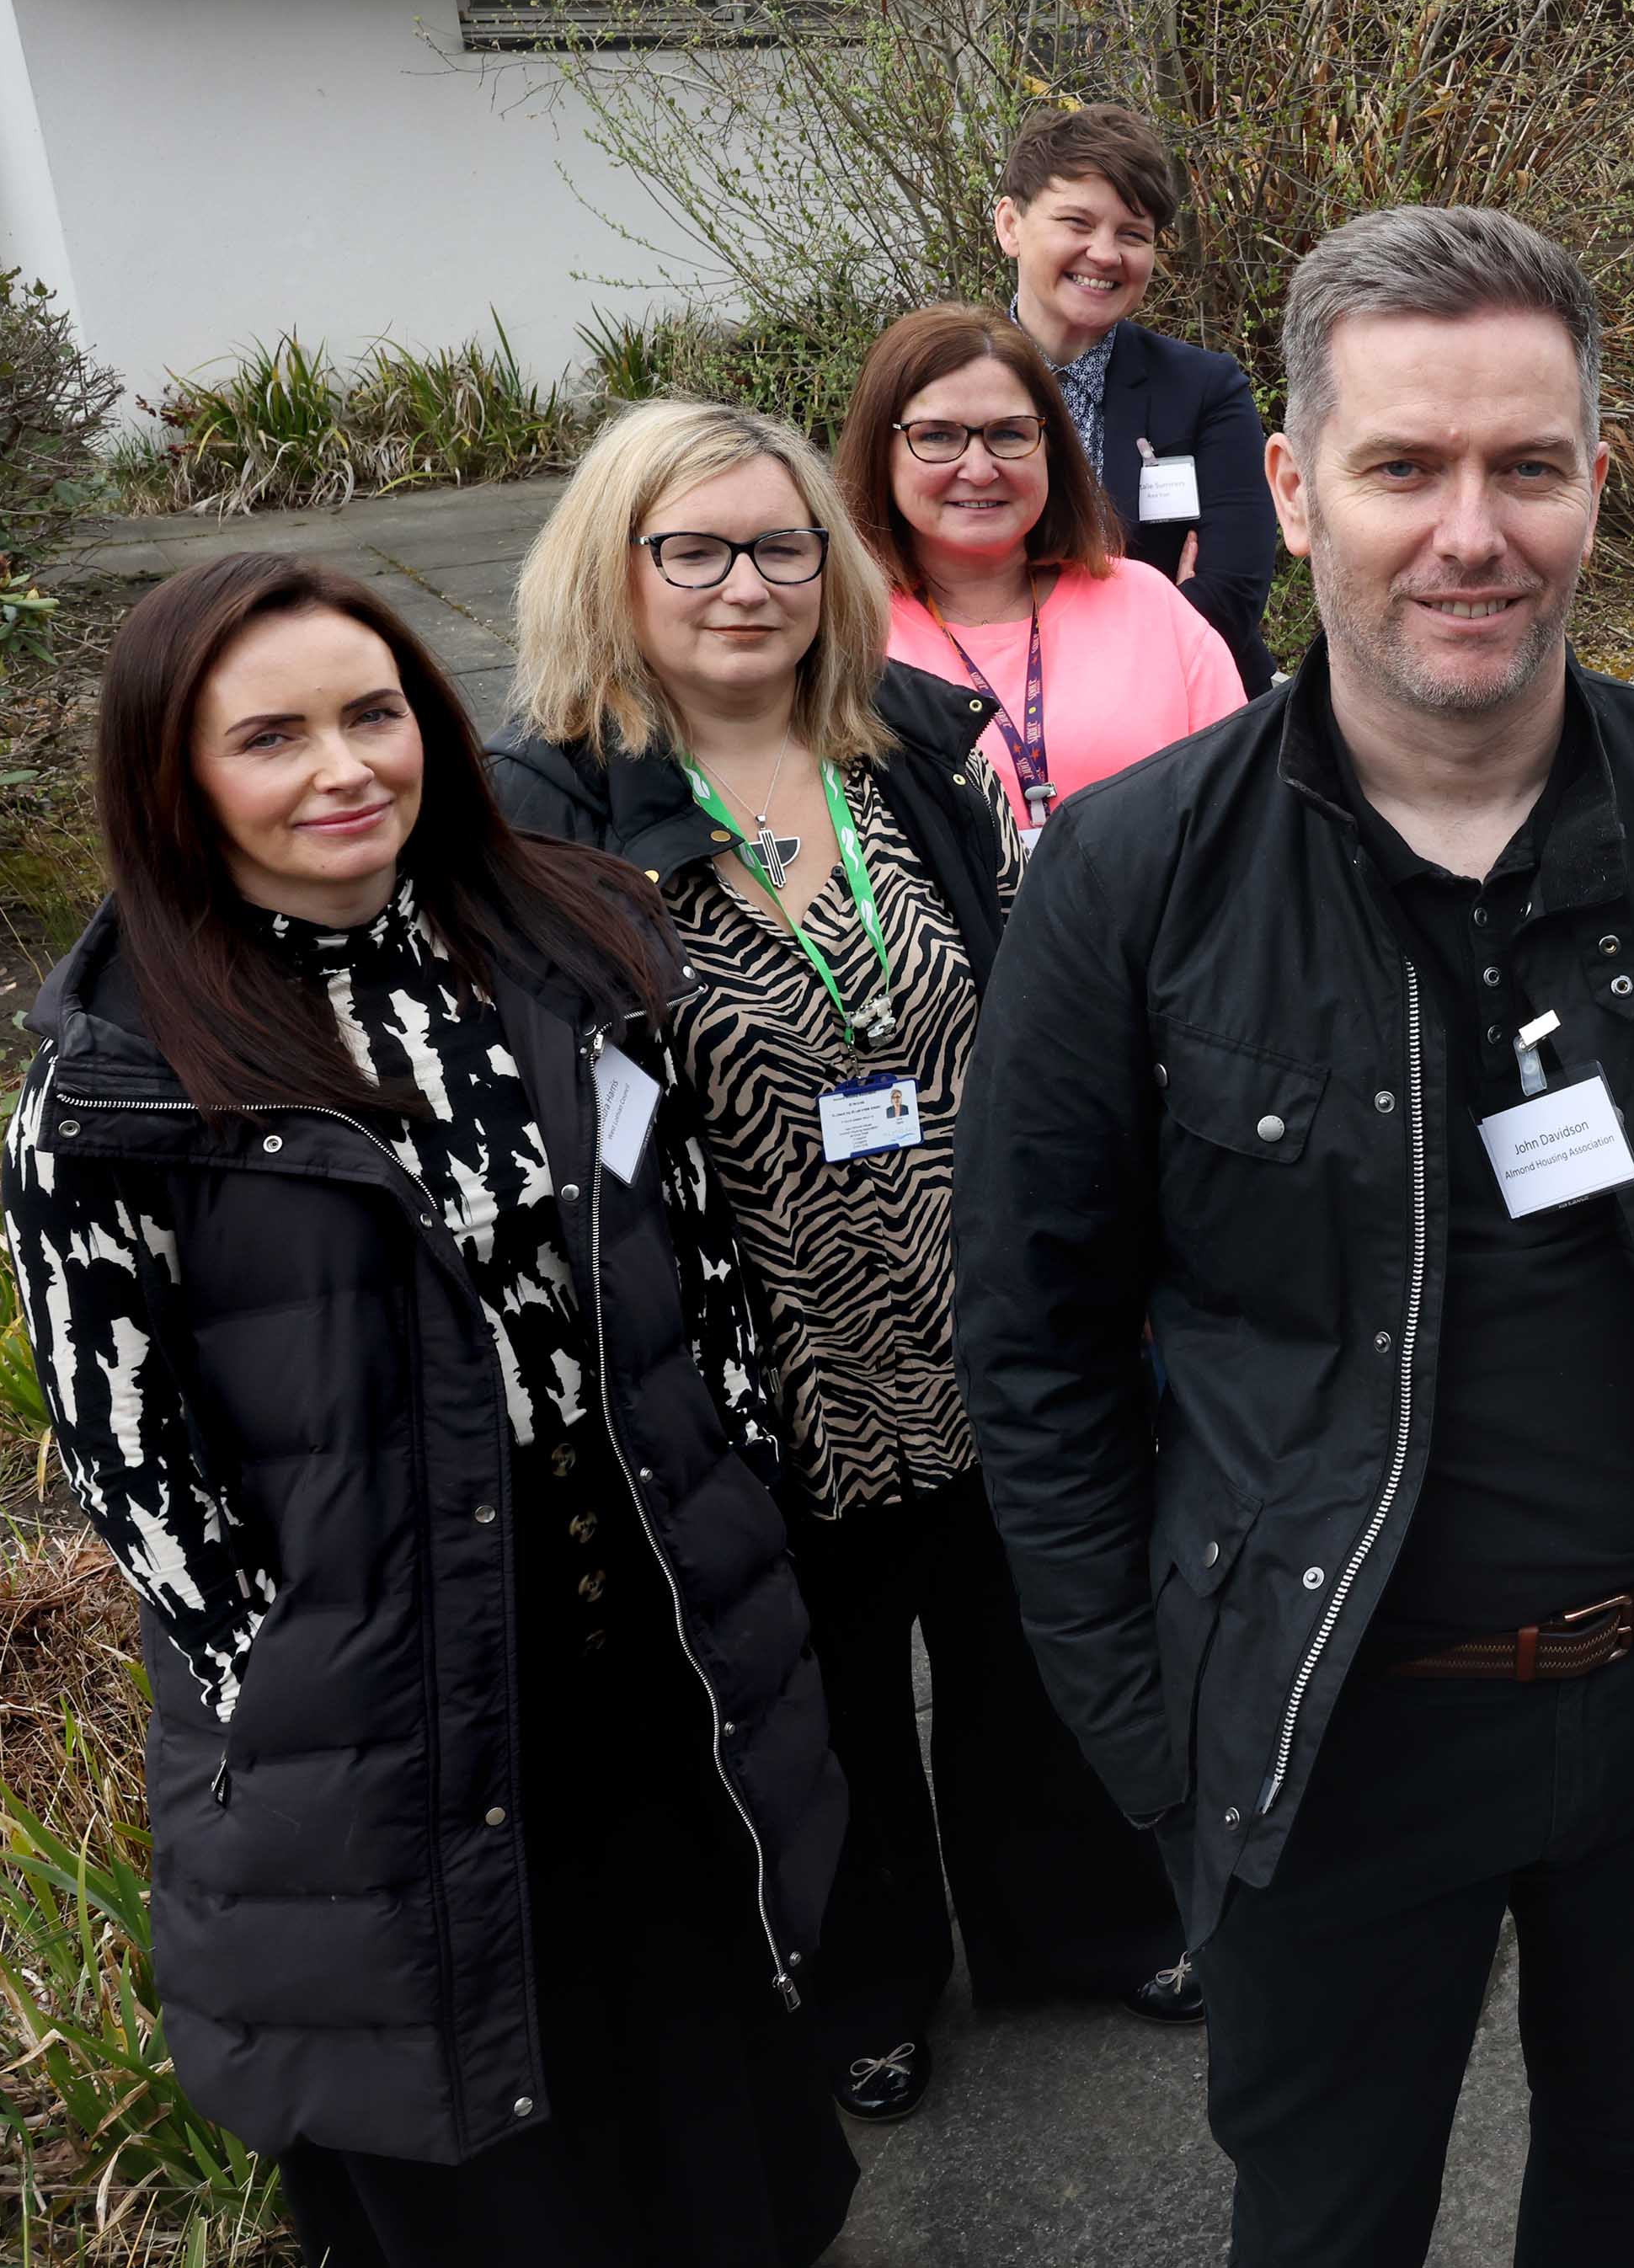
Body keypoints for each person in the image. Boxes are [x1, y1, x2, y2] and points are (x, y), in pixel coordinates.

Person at [950, 205, 1634, 2268]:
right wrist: (1151, 1739)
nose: (1469, 531)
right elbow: (1031, 1347)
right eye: (1407, 468)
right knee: (1325, 2208)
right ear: (1298, 490)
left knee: (1626, 2147)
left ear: (1604, 477)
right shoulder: (1133, 878)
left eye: (1527, 464)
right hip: (1326, 1719)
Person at [9, 552, 854, 2266]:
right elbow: (131, 1450)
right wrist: (270, 1655)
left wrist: (740, 1473)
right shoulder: (115, 1076)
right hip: (380, 1661)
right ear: (174, 776)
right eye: (272, 736)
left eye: (374, 712)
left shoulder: (562, 937)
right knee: (473, 2074)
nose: (344, 766)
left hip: (633, 1595)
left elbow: (696, 1250)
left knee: (685, 2013)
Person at [494, 402, 1189, 2129]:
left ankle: (1078, 1921)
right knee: (818, 1690)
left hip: (973, 1314)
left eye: (784, 544)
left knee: (1027, 1644)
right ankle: (857, 1977)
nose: (749, 583)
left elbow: (1028, 1001)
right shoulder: (546, 815)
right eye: (698, 549)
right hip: (760, 1352)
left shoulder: (912, 751)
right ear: (616, 566)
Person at [843, 304, 1247, 851]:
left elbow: (1245, 823)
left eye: (1009, 434)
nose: (981, 468)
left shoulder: (1150, 607)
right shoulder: (843, 637)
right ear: (880, 449)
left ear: (1050, 447)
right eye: (937, 436)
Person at [994, 104, 1281, 695]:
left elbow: (1230, 595)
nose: (1105, 254)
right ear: (1010, 226)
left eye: (1133, 235)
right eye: (1077, 223)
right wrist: (1161, 611)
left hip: (1191, 728)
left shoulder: (1206, 389)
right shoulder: (944, 390)